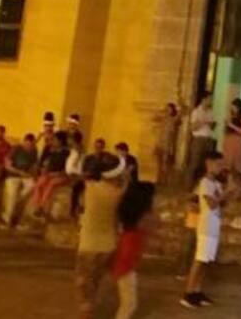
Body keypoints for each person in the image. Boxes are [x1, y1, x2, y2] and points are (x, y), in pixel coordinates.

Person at [75, 153, 125, 319]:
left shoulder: (90, 188)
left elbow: (80, 172)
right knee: (97, 283)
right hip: (109, 245)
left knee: (85, 289)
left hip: (88, 245)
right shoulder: (118, 193)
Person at [182, 149, 225, 309]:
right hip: (206, 226)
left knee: (206, 261)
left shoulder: (217, 184)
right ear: (208, 164)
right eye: (218, 164)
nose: (220, 168)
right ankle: (188, 293)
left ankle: (197, 290)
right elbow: (212, 204)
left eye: (221, 165)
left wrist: (233, 191)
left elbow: (222, 202)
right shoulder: (205, 183)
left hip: (214, 225)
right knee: (200, 260)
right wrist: (226, 193)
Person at [113, 180, 156, 319]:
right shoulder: (135, 230)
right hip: (125, 268)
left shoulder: (131, 225)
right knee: (129, 304)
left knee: (129, 304)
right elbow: (127, 254)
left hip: (125, 266)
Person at [2, 133, 39, 226]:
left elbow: (34, 165)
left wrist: (34, 174)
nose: (29, 147)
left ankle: (16, 212)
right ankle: (8, 218)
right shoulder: (16, 149)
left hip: (26, 176)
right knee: (12, 195)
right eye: (28, 144)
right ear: (24, 142)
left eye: (31, 145)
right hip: (13, 176)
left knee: (33, 186)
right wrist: (19, 172)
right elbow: (7, 166)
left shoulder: (34, 150)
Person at [32, 130, 71, 215]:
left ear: (60, 141)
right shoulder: (50, 150)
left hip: (60, 175)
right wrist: (43, 170)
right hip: (49, 173)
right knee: (40, 183)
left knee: (51, 184)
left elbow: (67, 169)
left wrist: (56, 173)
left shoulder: (66, 153)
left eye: (55, 139)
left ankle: (42, 206)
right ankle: (36, 206)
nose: (53, 141)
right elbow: (45, 163)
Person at [184, 94, 216, 187]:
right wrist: (203, 122)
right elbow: (193, 127)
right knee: (194, 163)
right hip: (199, 139)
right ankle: (188, 185)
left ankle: (201, 186)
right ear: (204, 99)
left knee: (206, 164)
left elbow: (212, 127)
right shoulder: (196, 112)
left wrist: (212, 124)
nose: (211, 101)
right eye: (209, 99)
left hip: (208, 139)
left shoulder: (210, 112)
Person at [153, 102, 181, 185]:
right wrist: (162, 110)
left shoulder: (174, 119)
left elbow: (181, 113)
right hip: (160, 143)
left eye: (169, 108)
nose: (167, 110)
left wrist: (179, 106)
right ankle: (158, 179)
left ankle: (165, 180)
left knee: (166, 164)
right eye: (167, 108)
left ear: (173, 110)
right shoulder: (163, 117)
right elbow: (154, 117)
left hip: (168, 144)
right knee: (159, 164)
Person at [223, 99, 241, 180]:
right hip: (229, 140)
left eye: (234, 107)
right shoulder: (231, 115)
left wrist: (232, 125)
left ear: (238, 107)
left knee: (237, 163)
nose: (232, 108)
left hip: (238, 141)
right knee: (228, 163)